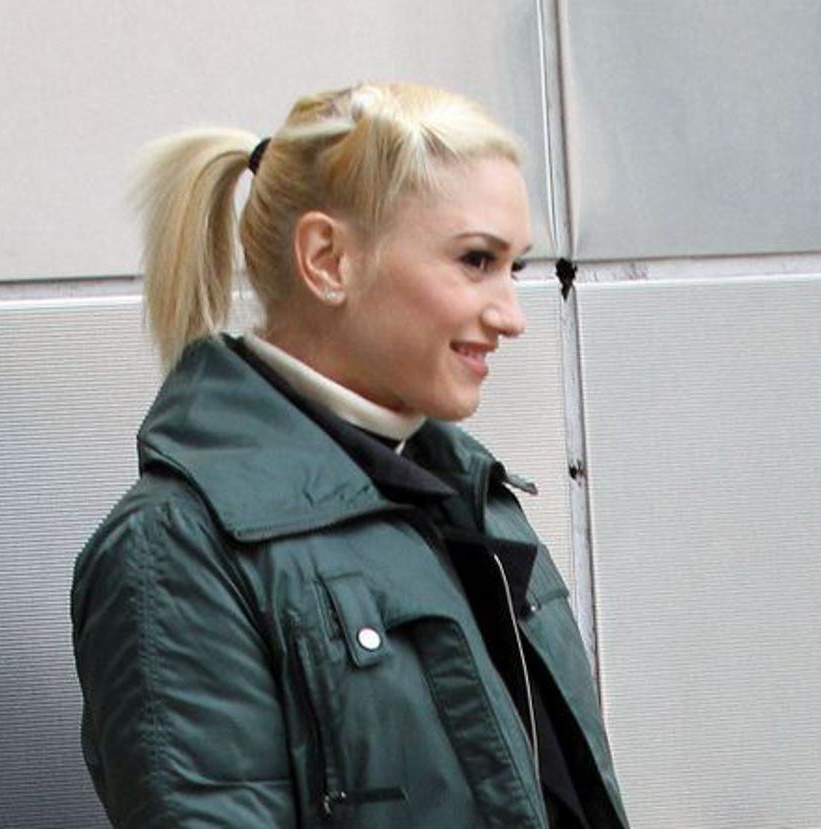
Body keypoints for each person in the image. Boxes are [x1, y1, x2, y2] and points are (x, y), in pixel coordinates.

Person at [71, 82, 628, 829]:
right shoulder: (178, 549)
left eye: (514, 268)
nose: (512, 316)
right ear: (328, 259)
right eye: (475, 260)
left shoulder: (473, 501)